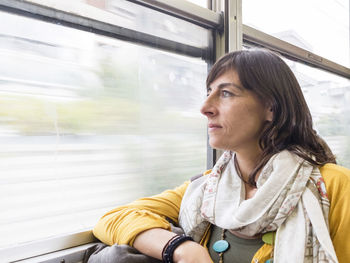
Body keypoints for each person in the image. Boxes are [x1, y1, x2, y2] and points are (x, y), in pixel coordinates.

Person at [91, 48, 350, 263]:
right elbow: (112, 220)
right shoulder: (207, 188)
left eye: (226, 93)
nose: (205, 108)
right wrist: (181, 248)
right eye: (208, 93)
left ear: (270, 107)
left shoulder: (335, 186)